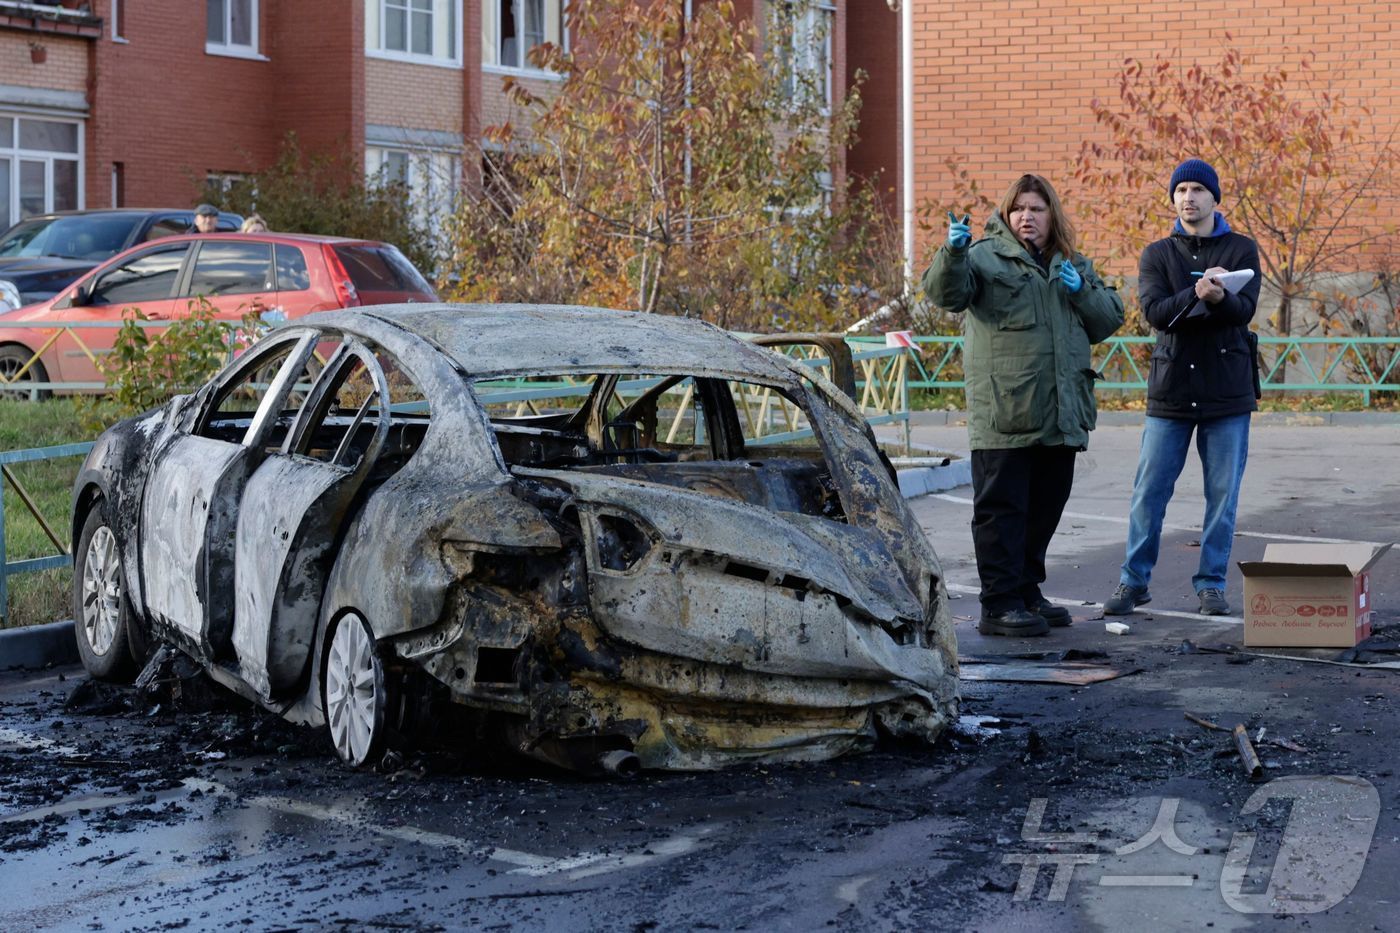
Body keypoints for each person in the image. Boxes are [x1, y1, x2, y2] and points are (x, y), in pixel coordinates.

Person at [923, 174, 1124, 637]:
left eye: (1036, 209)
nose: (1026, 218)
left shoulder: (1070, 263)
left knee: (1045, 506)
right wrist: (952, 253)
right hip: (1005, 411)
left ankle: (1027, 590)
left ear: (1052, 214)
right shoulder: (983, 257)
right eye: (1018, 210)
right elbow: (946, 295)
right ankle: (998, 603)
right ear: (1006, 215)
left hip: (1060, 410)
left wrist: (1081, 291)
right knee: (1002, 510)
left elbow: (1108, 319)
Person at [1104, 159, 1262, 617]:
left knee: (1222, 496)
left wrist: (1222, 298)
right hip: (1170, 391)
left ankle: (1211, 584)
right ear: (1173, 198)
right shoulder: (1158, 254)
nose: (1188, 197)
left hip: (1227, 392)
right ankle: (1133, 581)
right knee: (1149, 492)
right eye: (1181, 190)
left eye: (1197, 189)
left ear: (1216, 197)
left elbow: (1244, 310)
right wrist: (1197, 295)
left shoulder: (1241, 249)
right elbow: (1155, 313)